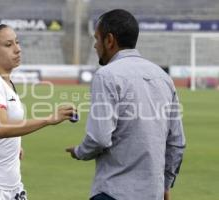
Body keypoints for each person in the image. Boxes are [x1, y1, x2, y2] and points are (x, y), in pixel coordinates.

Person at [66, 9, 186, 200]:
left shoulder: (106, 75)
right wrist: (164, 184)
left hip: (113, 192)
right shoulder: (164, 78)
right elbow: (177, 142)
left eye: (97, 39)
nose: (95, 46)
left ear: (109, 40)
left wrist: (79, 151)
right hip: (152, 193)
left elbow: (99, 138)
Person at [0, 22, 75, 200]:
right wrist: (49, 119)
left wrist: (12, 145)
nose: (17, 49)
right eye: (8, 45)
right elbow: (1, 128)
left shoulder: (5, 82)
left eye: (17, 42)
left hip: (11, 187)